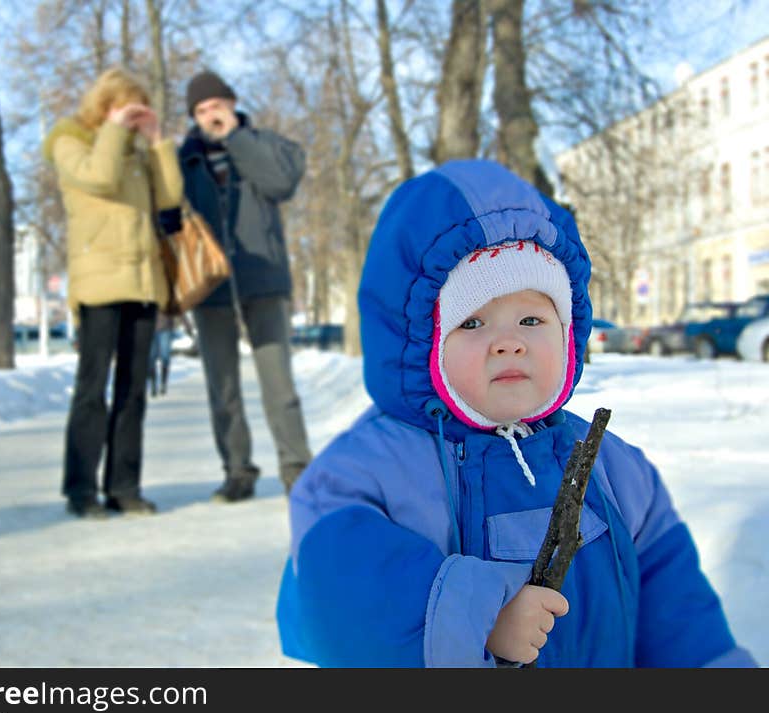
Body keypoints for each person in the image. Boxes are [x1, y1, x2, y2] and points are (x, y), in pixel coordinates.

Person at [275, 159, 758, 668]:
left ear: (568, 330)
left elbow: (679, 614)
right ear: (421, 342)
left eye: (531, 318)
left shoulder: (617, 472)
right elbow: (337, 593)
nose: (509, 343)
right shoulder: (368, 472)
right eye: (473, 322)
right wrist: (481, 618)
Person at [159, 70, 312, 502]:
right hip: (209, 283)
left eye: (217, 106)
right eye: (202, 110)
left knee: (278, 384)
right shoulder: (182, 158)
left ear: (231, 104)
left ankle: (297, 471)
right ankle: (237, 471)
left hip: (263, 279)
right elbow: (165, 212)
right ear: (193, 116)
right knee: (221, 384)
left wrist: (237, 139)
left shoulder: (268, 145)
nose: (211, 115)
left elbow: (280, 183)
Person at [44, 67, 183, 519]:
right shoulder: (71, 142)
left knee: (133, 391)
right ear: (104, 106)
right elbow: (100, 179)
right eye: (125, 106)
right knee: (92, 389)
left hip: (143, 284)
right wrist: (115, 130)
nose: (132, 116)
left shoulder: (138, 154)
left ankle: (124, 486)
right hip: (100, 283)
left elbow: (169, 198)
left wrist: (158, 139)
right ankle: (81, 490)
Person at [149, 310, 175, 397]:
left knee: (165, 356)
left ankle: (163, 384)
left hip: (165, 329)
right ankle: (153, 385)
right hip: (150, 328)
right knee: (151, 358)